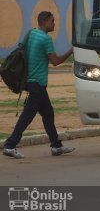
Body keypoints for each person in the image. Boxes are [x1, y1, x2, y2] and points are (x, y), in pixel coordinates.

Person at [2, 11, 75, 159]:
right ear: (45, 22)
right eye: (52, 21)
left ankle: (56, 146)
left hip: (30, 81)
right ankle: (10, 145)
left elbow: (22, 50)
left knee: (48, 113)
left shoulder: (31, 33)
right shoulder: (46, 39)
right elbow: (56, 61)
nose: (54, 24)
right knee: (27, 115)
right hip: (38, 84)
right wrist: (72, 50)